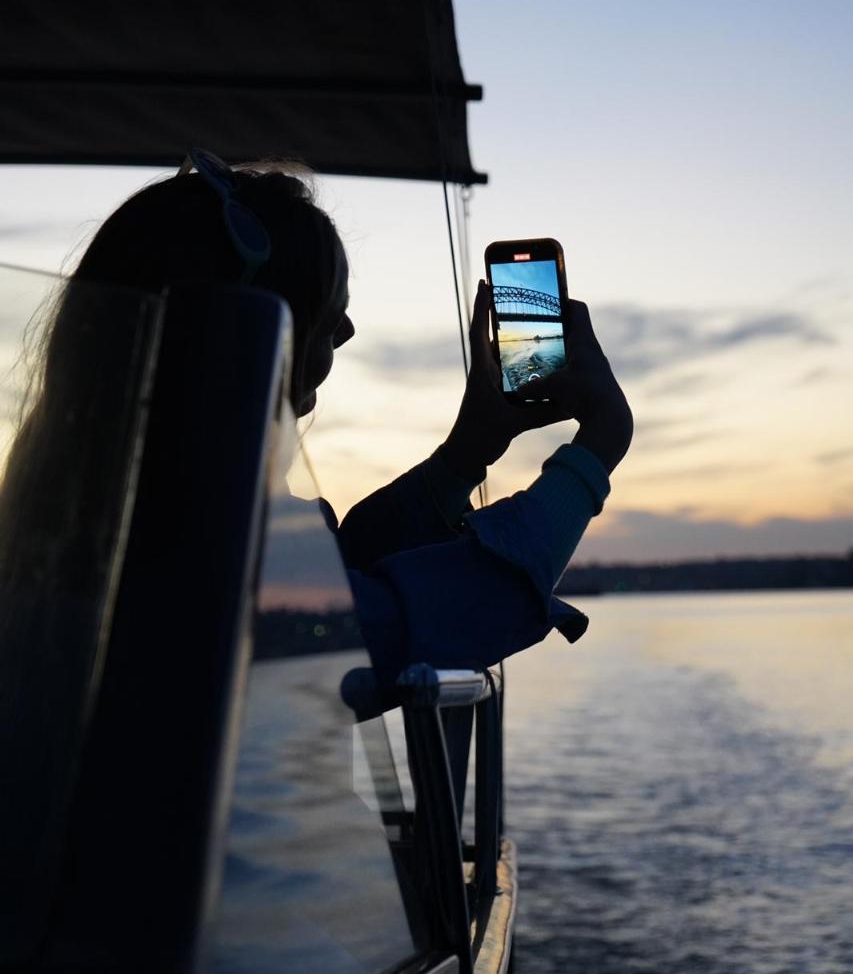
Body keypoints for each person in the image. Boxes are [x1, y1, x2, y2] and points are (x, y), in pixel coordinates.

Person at [3, 148, 633, 688]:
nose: (349, 330)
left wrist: (470, 449)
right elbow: (408, 618)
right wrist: (597, 449)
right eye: (329, 314)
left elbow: (338, 570)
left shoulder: (91, 519)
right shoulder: (177, 553)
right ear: (234, 336)